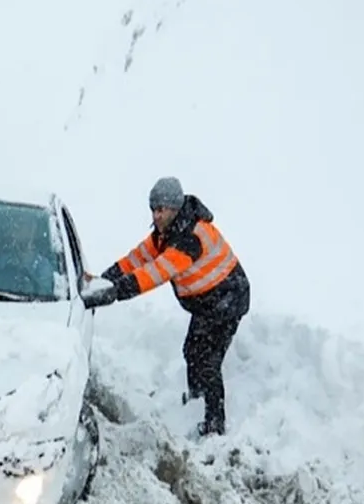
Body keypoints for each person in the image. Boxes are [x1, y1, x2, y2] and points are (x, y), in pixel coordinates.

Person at [84, 177, 249, 436]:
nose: (156, 215)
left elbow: (157, 272)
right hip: (208, 303)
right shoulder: (165, 234)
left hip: (227, 298)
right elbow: (136, 259)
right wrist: (104, 281)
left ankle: (215, 425)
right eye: (153, 210)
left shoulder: (190, 238)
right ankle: (196, 399)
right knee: (192, 350)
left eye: (161, 210)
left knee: (207, 359)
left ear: (174, 208)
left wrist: (116, 292)